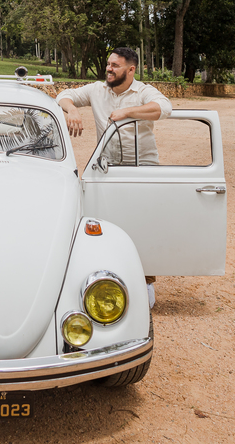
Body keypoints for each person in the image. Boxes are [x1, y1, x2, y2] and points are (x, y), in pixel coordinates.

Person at [56, 47, 171, 309]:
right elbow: (63, 95)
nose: (109, 69)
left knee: (142, 224)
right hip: (107, 169)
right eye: (108, 64)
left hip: (143, 169)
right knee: (103, 222)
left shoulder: (143, 92)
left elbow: (164, 107)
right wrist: (72, 110)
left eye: (115, 66)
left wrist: (129, 112)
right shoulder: (97, 90)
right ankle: (103, 279)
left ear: (131, 70)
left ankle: (146, 282)